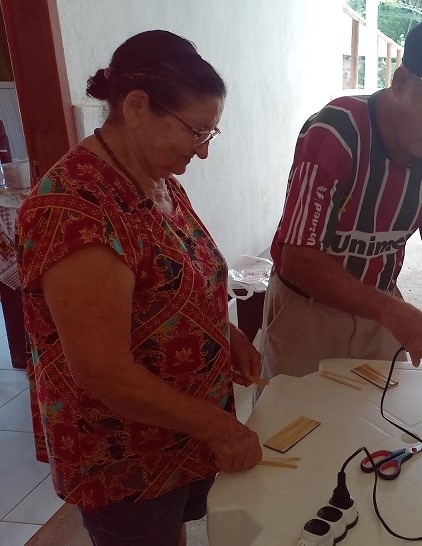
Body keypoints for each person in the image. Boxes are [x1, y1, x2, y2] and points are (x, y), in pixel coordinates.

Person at [16, 30, 263, 545]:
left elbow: (177, 281)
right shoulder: (73, 210)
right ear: (135, 107)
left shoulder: (156, 179)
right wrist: (219, 428)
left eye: (209, 135)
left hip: (177, 434)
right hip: (123, 454)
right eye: (197, 133)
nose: (202, 152)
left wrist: (225, 335)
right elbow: (102, 370)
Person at [260, 15, 422, 378]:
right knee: (293, 427)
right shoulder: (338, 132)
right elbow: (298, 259)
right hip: (307, 311)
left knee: (380, 424)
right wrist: (393, 312)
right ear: (401, 81)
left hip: (381, 307)